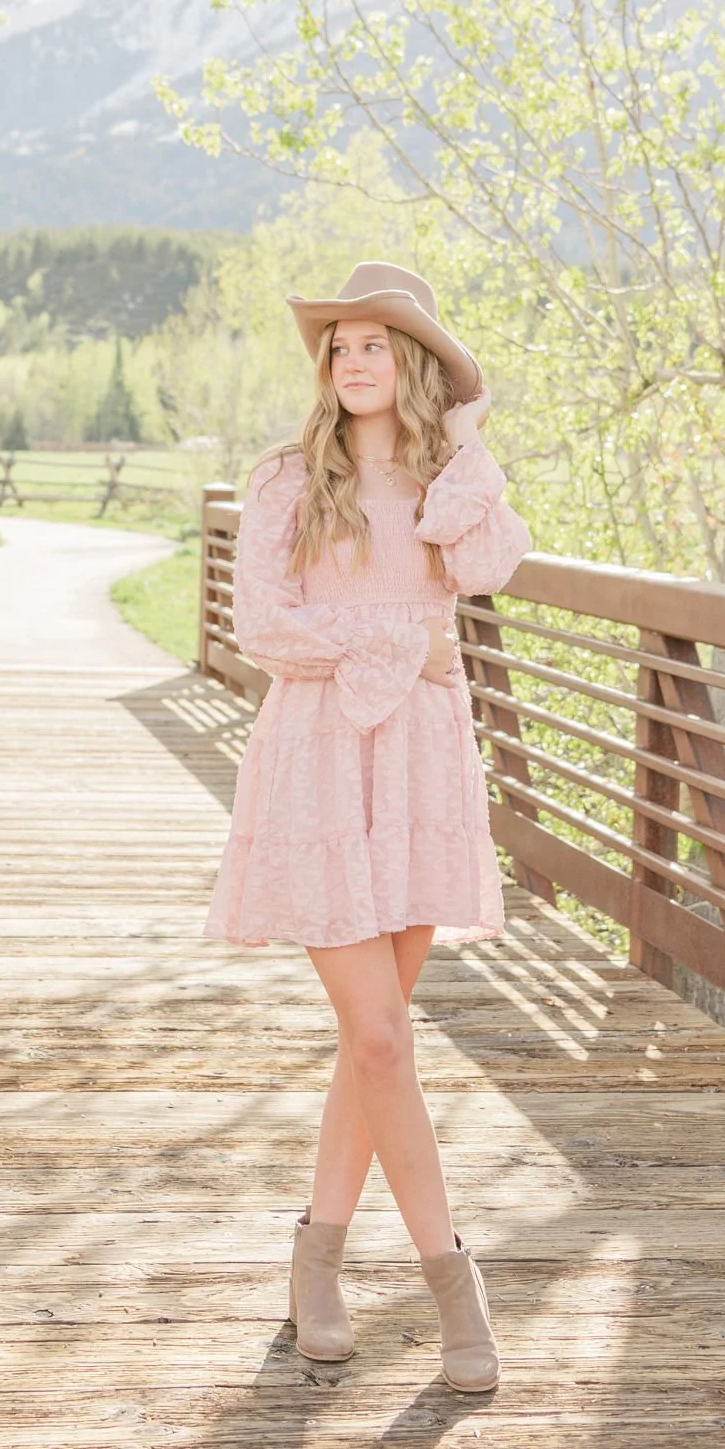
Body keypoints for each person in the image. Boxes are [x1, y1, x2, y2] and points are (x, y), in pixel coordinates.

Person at [205, 261, 530, 1391]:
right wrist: (402, 644)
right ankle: (455, 1286)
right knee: (384, 1037)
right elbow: (265, 628)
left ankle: (317, 1263)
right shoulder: (288, 480)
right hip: (319, 758)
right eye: (338, 346)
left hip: (421, 764)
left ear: (415, 364)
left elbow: (489, 568)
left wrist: (469, 444)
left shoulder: (446, 484)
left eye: (375, 345)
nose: (350, 362)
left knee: (371, 1037)